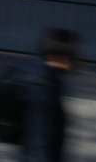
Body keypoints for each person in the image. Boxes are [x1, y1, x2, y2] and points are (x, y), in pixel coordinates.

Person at [22, 28, 79, 162]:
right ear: (63, 54)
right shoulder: (43, 87)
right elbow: (40, 142)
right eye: (74, 52)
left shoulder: (43, 74)